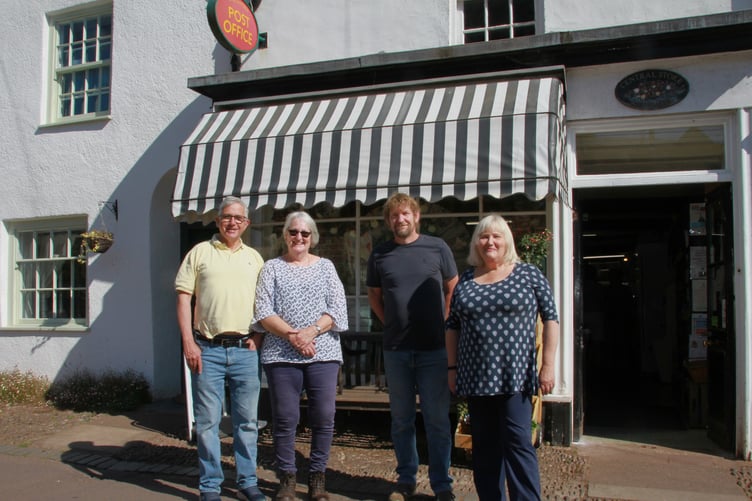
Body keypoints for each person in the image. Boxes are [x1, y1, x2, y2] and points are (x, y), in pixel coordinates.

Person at [445, 214, 560, 501]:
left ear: (506, 239)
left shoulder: (528, 274)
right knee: (484, 448)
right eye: (484, 236)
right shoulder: (467, 279)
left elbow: (551, 318)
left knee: (518, 443)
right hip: (475, 377)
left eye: (496, 236)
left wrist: (547, 365)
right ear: (477, 243)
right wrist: (452, 368)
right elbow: (452, 326)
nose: (490, 241)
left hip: (515, 377)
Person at [366, 193, 458, 501]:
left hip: (434, 349)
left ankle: (442, 483)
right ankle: (406, 479)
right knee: (402, 419)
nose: (400, 219)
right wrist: (389, 323)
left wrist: (446, 322)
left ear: (416, 217)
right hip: (397, 350)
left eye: (405, 214)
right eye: (394, 216)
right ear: (389, 221)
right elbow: (374, 295)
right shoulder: (380, 255)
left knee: (437, 419)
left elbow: (452, 287)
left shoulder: (437, 248)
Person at [175, 196, 266, 501]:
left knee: (247, 423)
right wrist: (188, 342)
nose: (232, 222)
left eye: (238, 218)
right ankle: (210, 485)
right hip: (207, 350)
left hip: (245, 350)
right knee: (207, 423)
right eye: (227, 217)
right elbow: (183, 299)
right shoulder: (199, 252)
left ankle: (247, 480)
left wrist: (259, 336)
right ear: (217, 221)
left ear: (246, 224)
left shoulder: (254, 258)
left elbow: (264, 306)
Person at [254, 211, 349, 501]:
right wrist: (294, 337)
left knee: (324, 416)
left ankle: (317, 477)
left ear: (312, 238)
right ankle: (287, 478)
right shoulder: (271, 267)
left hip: (323, 353)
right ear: (285, 235)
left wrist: (311, 332)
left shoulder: (326, 266)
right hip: (281, 355)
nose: (298, 238)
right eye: (293, 232)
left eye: (304, 234)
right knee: (285, 418)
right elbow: (262, 311)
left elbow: (337, 309)